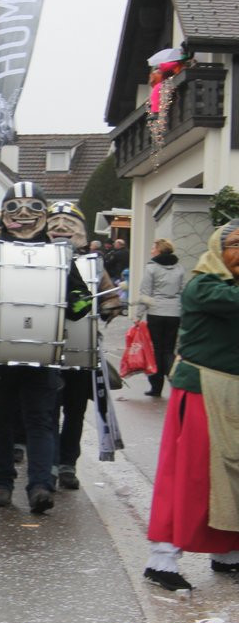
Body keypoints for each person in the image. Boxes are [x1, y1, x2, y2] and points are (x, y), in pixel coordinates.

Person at [0, 182, 90, 514]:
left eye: (33, 208)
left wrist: (79, 301)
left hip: (45, 352)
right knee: (0, 421)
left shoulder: (58, 254)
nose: (23, 216)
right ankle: (1, 484)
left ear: (45, 212)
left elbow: (78, 301)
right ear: (4, 213)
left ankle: (40, 486)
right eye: (14, 208)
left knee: (40, 420)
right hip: (0, 351)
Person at [143, 220, 239, 592]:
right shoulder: (203, 286)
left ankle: (227, 550)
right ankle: (161, 558)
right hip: (201, 392)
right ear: (219, 249)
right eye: (237, 244)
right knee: (190, 475)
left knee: (230, 477)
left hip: (231, 394)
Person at [46, 201, 123, 490]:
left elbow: (110, 298)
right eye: (55, 223)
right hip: (47, 348)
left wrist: (111, 306)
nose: (62, 228)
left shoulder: (94, 263)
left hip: (82, 348)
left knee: (75, 410)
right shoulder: (39, 257)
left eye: (70, 223)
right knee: (48, 410)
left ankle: (68, 463)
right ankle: (50, 463)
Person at [134, 238, 186, 397]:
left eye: (152, 247)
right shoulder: (180, 268)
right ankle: (174, 382)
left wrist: (138, 315)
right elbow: (183, 291)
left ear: (158, 250)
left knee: (156, 349)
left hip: (156, 312)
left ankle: (156, 387)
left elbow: (145, 293)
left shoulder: (152, 268)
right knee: (169, 349)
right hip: (174, 313)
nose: (151, 250)